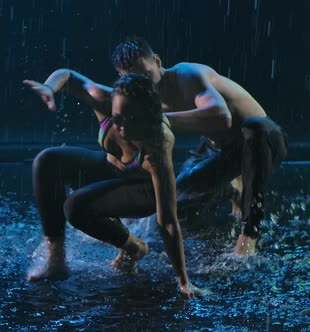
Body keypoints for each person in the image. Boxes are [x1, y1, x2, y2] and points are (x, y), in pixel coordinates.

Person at [23, 73, 203, 297]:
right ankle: (56, 260)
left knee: (74, 206)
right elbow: (68, 75)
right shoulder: (102, 98)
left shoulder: (157, 142)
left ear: (149, 116)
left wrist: (183, 281)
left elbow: (167, 220)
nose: (123, 129)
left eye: (132, 120)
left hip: (142, 192)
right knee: (47, 161)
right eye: (117, 119)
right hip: (110, 170)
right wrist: (50, 87)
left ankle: (133, 248)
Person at [110, 38, 287, 256]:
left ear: (157, 61)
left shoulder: (186, 75)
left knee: (255, 128)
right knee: (176, 200)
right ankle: (231, 186)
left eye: (147, 74)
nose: (146, 83)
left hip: (264, 141)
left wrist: (158, 119)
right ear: (122, 78)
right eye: (136, 79)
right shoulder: (138, 96)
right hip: (219, 152)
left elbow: (222, 116)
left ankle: (249, 234)